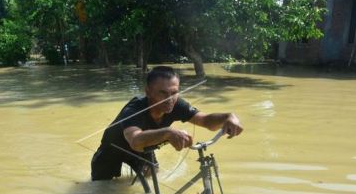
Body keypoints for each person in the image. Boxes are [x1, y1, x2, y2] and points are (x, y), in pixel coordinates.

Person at [91, 66, 244, 180]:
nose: (170, 99)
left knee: (152, 175)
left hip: (142, 152)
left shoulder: (176, 104)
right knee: (102, 192)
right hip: (112, 151)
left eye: (174, 93)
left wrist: (227, 117)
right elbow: (136, 141)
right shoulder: (133, 109)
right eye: (162, 93)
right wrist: (168, 133)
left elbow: (205, 121)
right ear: (148, 91)